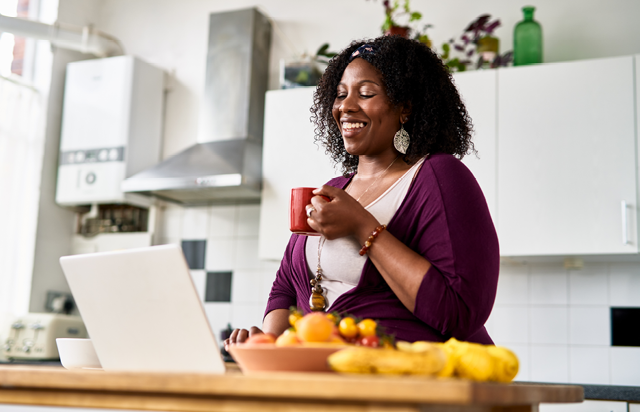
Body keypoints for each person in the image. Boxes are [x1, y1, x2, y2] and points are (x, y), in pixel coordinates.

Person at [224, 35, 499, 349]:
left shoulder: (438, 176)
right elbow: (286, 287)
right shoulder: (335, 189)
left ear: (405, 108)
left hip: (416, 382)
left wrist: (362, 226)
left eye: (366, 93)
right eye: (340, 95)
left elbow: (459, 311)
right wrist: (269, 341)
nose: (346, 107)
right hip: (331, 379)